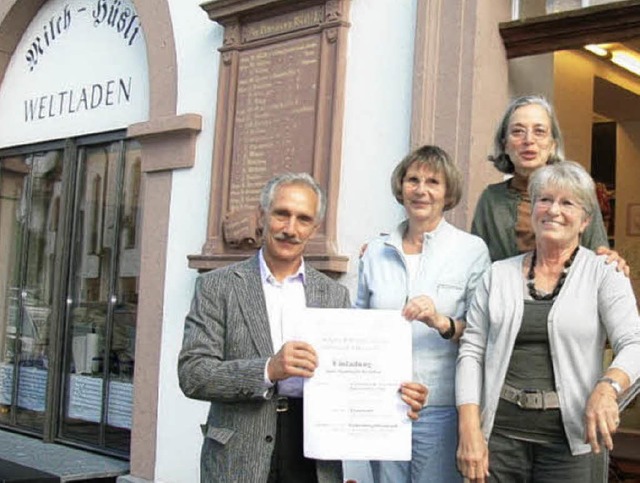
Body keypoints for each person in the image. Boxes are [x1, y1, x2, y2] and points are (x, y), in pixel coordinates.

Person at [178, 172, 427, 483]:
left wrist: (395, 401)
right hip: (238, 453)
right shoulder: (217, 286)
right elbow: (193, 373)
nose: (290, 229)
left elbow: (352, 375)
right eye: (282, 214)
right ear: (262, 215)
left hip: (314, 452)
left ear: (314, 228)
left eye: (303, 219)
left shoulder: (334, 295)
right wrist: (268, 369)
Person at [456, 161, 640, 482]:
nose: (553, 210)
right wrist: (470, 429)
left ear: (584, 220)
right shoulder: (497, 275)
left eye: (567, 202)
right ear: (532, 210)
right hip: (499, 440)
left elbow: (634, 344)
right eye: (544, 199)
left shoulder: (604, 274)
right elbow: (472, 351)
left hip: (572, 445)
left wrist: (608, 388)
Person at [357, 145, 491, 482]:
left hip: (440, 407)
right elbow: (359, 325)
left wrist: (441, 322)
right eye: (413, 180)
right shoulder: (375, 251)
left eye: (433, 182)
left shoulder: (471, 250)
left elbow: (482, 332)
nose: (421, 190)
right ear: (400, 187)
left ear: (448, 194)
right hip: (384, 405)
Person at [471, 95, 629, 275]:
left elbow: (599, 256)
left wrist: (611, 262)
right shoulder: (491, 200)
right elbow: (476, 268)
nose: (528, 140)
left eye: (539, 131)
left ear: (553, 144)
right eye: (517, 131)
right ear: (505, 144)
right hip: (503, 300)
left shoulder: (580, 194)